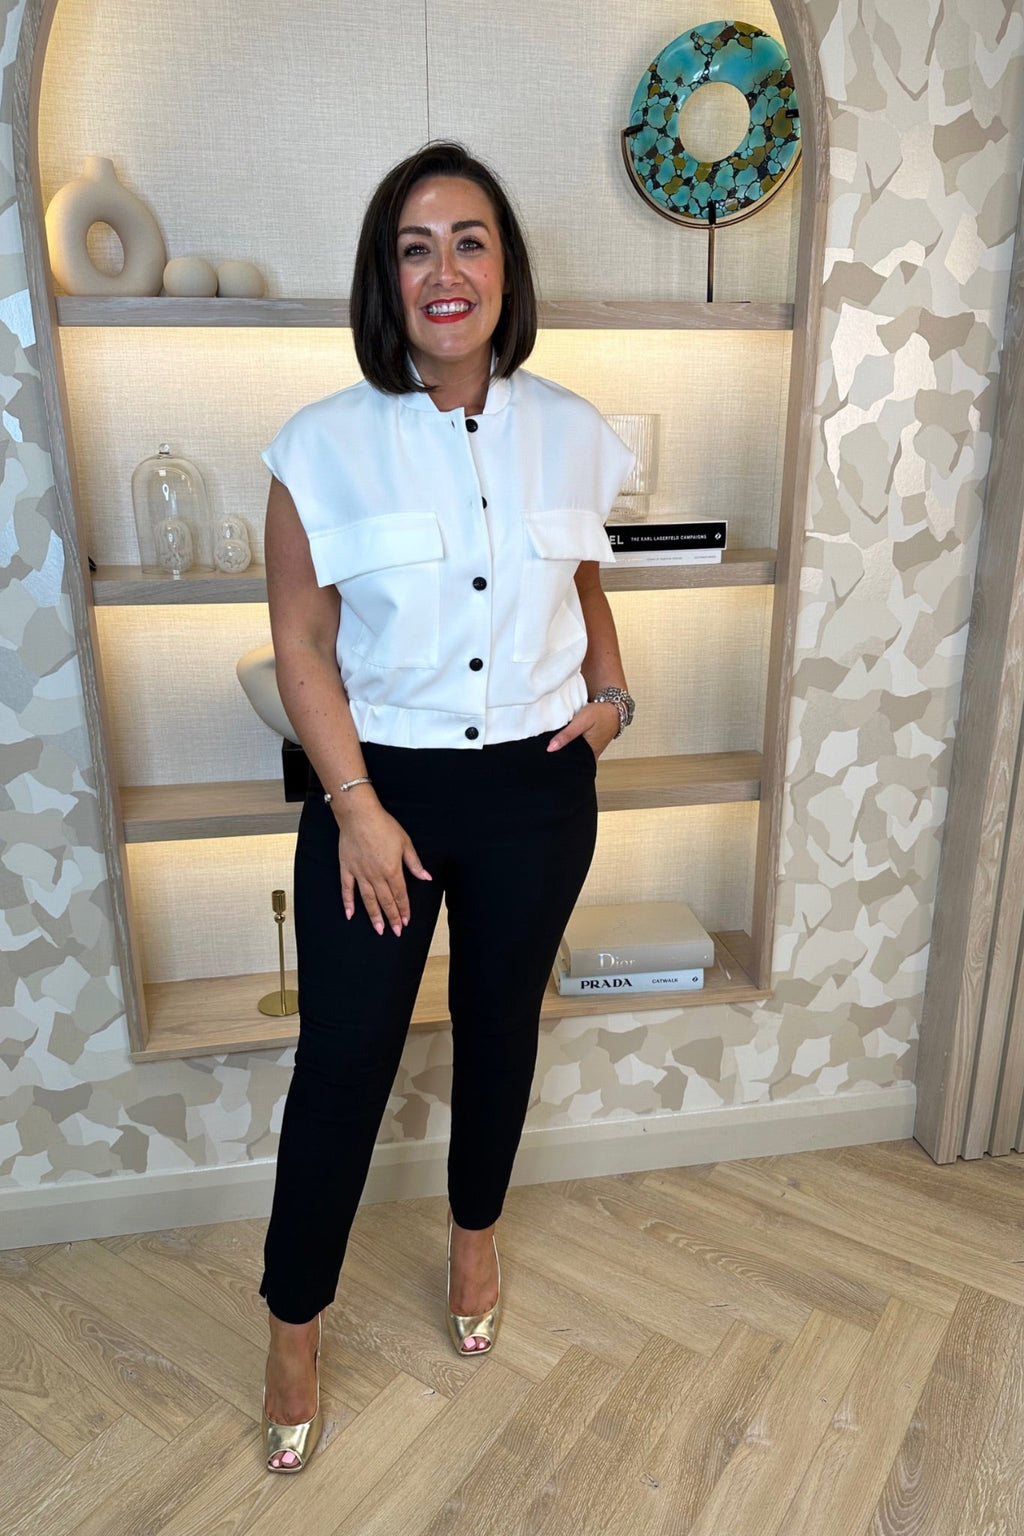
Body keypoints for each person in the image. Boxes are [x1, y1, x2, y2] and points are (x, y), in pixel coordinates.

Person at [258, 140, 636, 1472]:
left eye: (469, 240)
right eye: (414, 247)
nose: (445, 270)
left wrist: (610, 695)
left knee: (498, 1030)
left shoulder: (574, 430)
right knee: (344, 1063)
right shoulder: (318, 447)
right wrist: (357, 808)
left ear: (505, 267)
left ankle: (476, 1238)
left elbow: (581, 583)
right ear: (386, 277)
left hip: (537, 789)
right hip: (382, 793)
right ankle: (292, 1325)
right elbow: (302, 644)